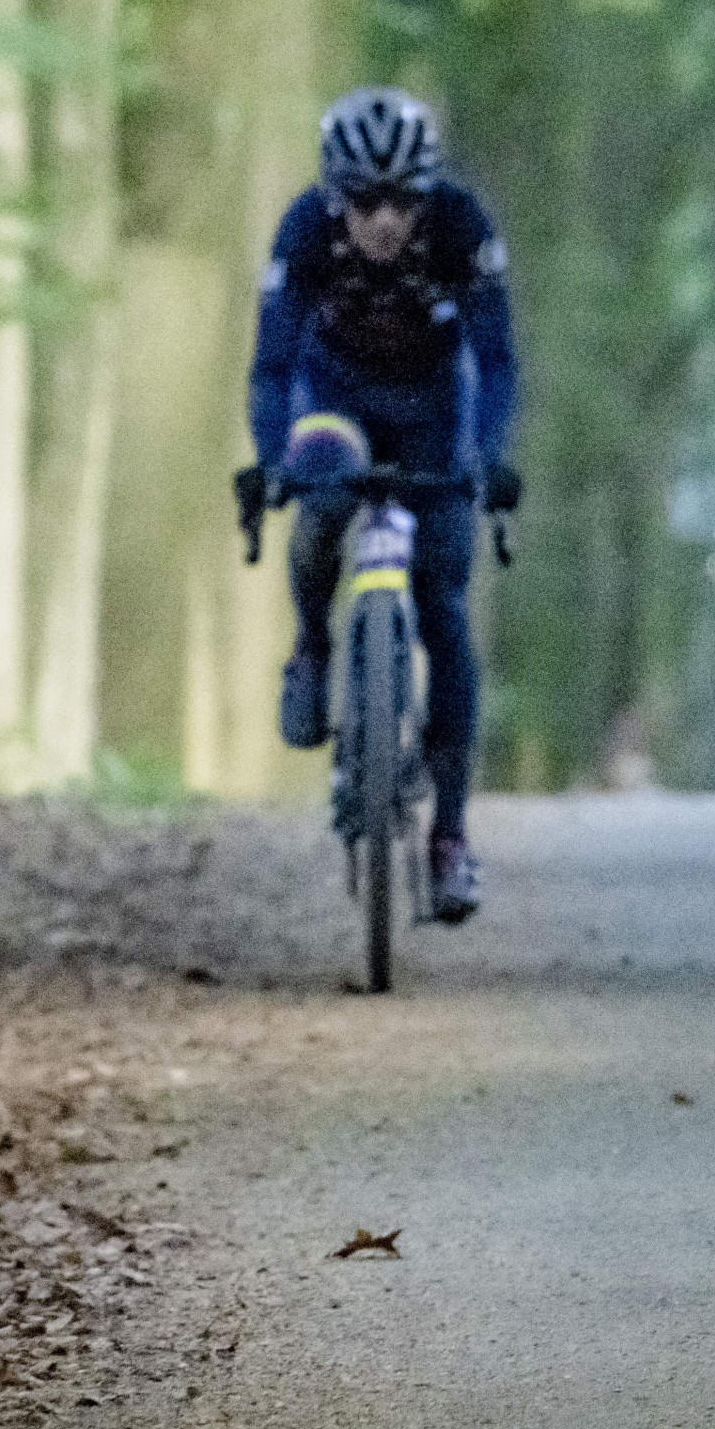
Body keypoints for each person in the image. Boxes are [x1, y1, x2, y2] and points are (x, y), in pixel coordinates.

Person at [248, 86, 521, 926]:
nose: (383, 221)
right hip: (336, 397)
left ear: (426, 193)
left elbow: (497, 359)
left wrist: (485, 459)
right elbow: (271, 365)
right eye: (364, 202)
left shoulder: (463, 228)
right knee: (321, 498)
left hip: (433, 409)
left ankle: (449, 834)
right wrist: (268, 465)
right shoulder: (303, 231)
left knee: (443, 603)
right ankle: (315, 643)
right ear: (337, 196)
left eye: (401, 200)